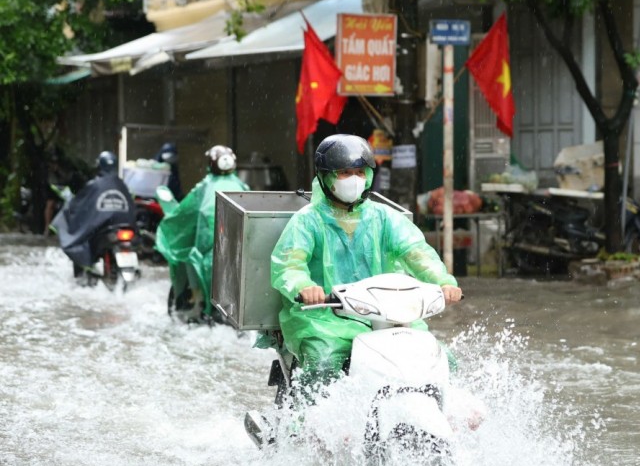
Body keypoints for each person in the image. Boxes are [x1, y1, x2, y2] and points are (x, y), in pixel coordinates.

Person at [270, 134, 463, 392]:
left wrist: (443, 282)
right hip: (326, 319)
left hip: (386, 316)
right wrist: (304, 286)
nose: (354, 179)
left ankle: (453, 415)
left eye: (360, 171)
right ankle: (304, 427)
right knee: (323, 364)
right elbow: (289, 264)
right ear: (325, 176)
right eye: (344, 172)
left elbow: (417, 252)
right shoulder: (307, 221)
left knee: (444, 360)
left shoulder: (384, 218)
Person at [155, 145, 250, 320]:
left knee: (191, 257)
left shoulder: (206, 186)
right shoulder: (241, 186)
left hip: (209, 252)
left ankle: (198, 302)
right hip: (239, 251)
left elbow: (185, 212)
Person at [51, 151, 135, 276]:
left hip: (105, 230)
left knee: (81, 242)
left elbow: (80, 205)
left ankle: (83, 278)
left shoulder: (94, 185)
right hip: (124, 227)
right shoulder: (123, 185)